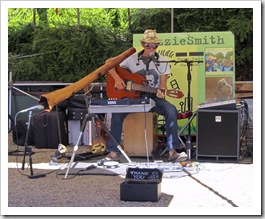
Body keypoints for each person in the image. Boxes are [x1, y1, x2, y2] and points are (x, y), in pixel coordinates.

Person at [102, 29, 188, 163]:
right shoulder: (131, 59)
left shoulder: (162, 61)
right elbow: (108, 64)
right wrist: (117, 79)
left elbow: (163, 83)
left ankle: (173, 151)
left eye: (154, 45)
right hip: (133, 98)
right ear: (143, 44)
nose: (151, 48)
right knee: (117, 113)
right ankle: (113, 153)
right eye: (148, 45)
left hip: (154, 97)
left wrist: (162, 90)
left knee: (171, 110)